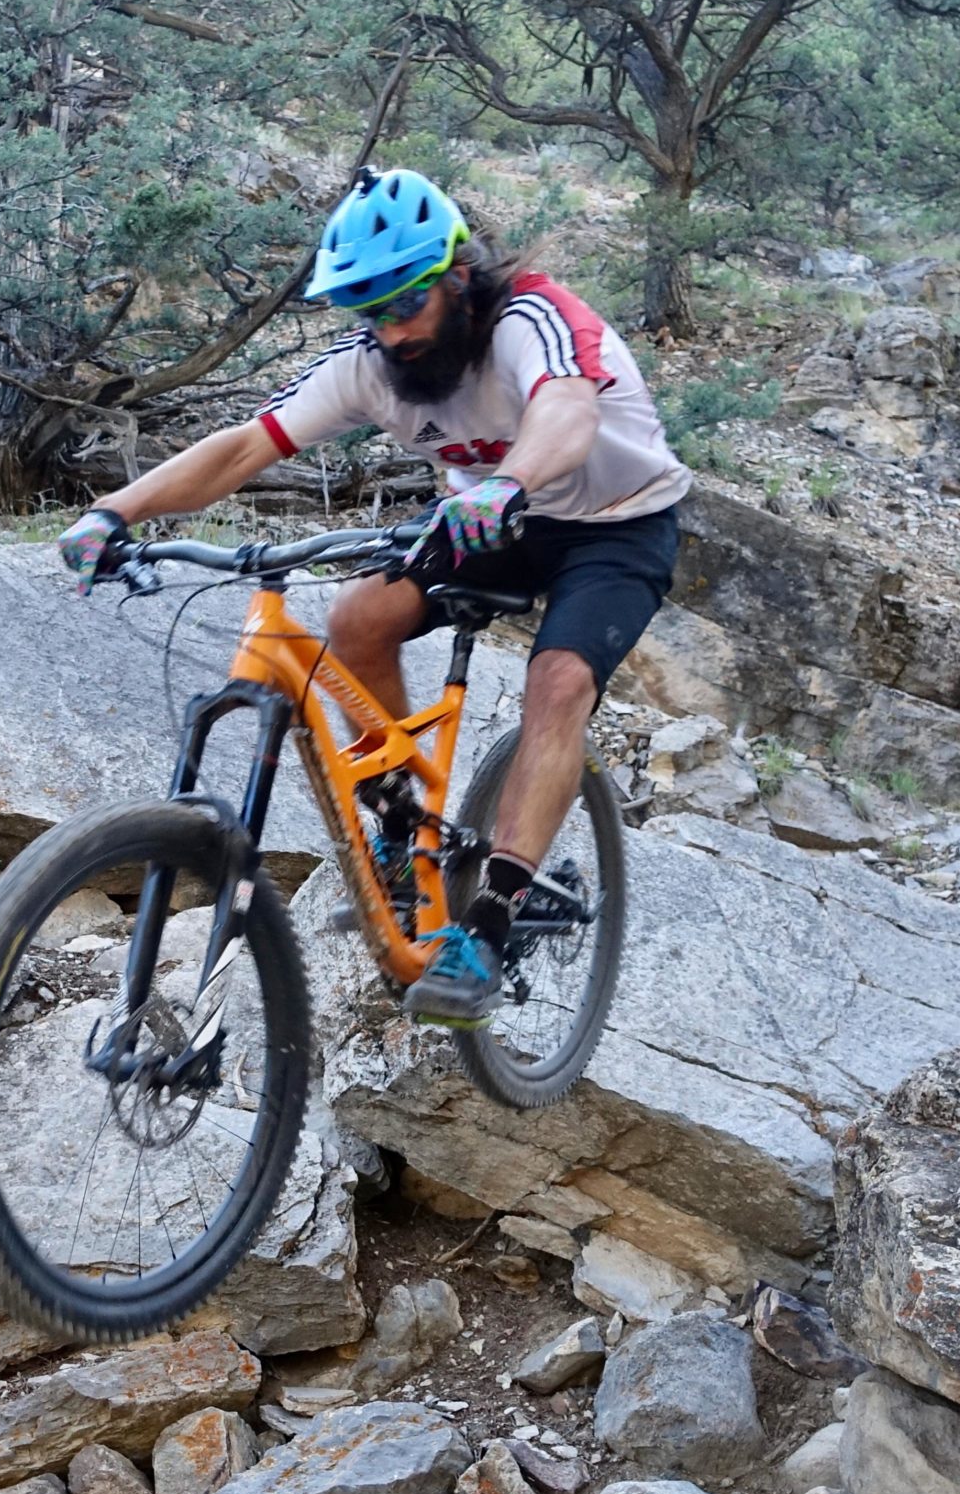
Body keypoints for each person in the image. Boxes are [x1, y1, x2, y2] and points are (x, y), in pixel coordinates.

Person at [56, 167, 690, 1027]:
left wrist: (505, 483)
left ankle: (491, 925)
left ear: (456, 280)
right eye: (371, 312)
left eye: (404, 305)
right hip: (491, 519)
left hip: (612, 523)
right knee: (357, 617)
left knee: (560, 680)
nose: (391, 333)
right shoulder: (371, 367)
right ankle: (401, 830)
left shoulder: (532, 321)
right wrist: (114, 510)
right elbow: (246, 446)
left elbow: (567, 414)